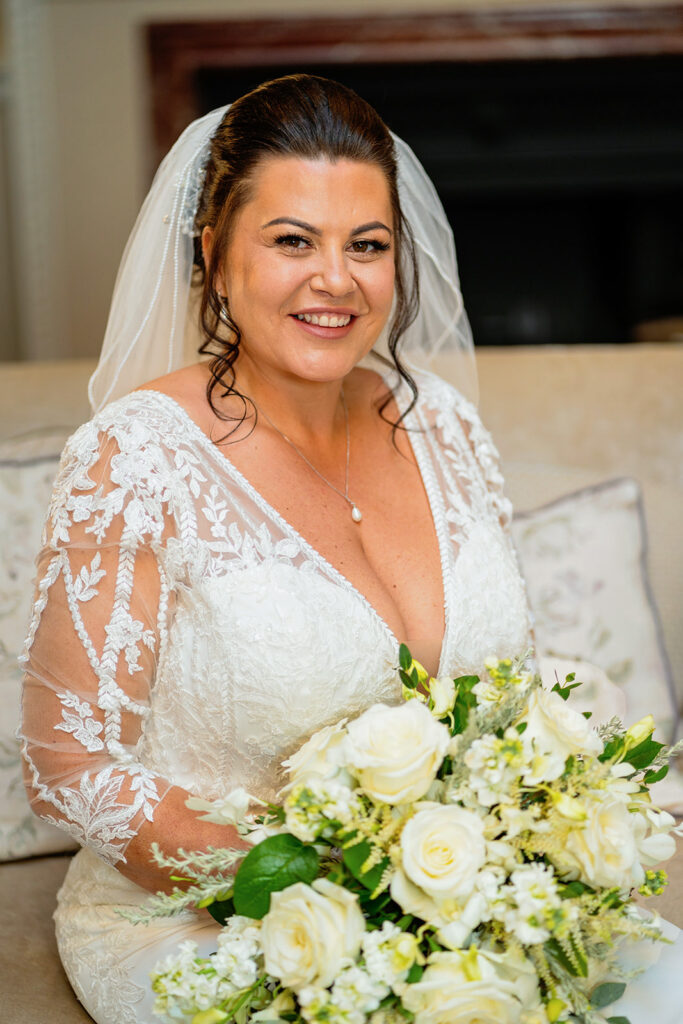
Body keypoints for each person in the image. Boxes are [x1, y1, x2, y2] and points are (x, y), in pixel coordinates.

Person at [18, 75, 679, 1024]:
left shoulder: (440, 423)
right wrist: (325, 901)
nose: (335, 279)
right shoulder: (136, 458)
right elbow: (69, 765)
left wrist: (488, 873)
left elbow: (504, 689)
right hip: (208, 916)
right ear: (213, 255)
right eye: (292, 240)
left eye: (366, 246)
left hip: (454, 909)